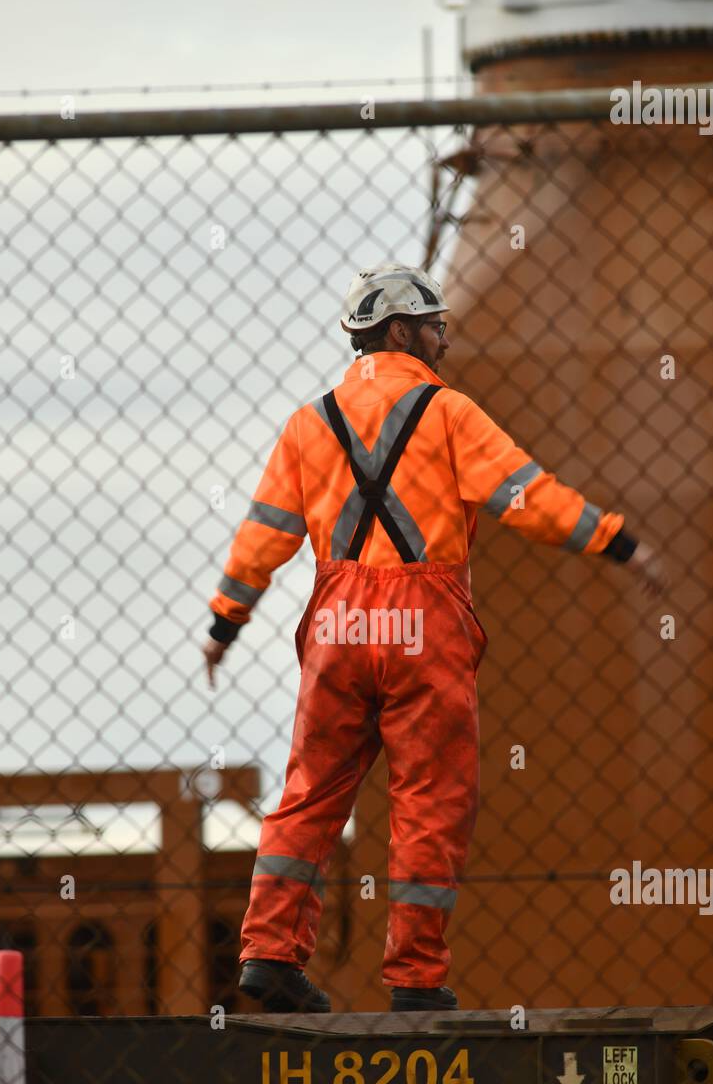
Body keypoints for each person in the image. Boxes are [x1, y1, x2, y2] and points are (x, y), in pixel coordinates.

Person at [202, 263, 666, 1014]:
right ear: (398, 331)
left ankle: (268, 956)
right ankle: (415, 978)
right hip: (426, 626)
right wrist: (617, 543)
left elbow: (265, 537)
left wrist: (226, 622)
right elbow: (529, 497)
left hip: (339, 626)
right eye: (434, 325)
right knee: (431, 800)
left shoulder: (307, 423)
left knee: (309, 795)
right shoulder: (450, 414)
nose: (445, 336)